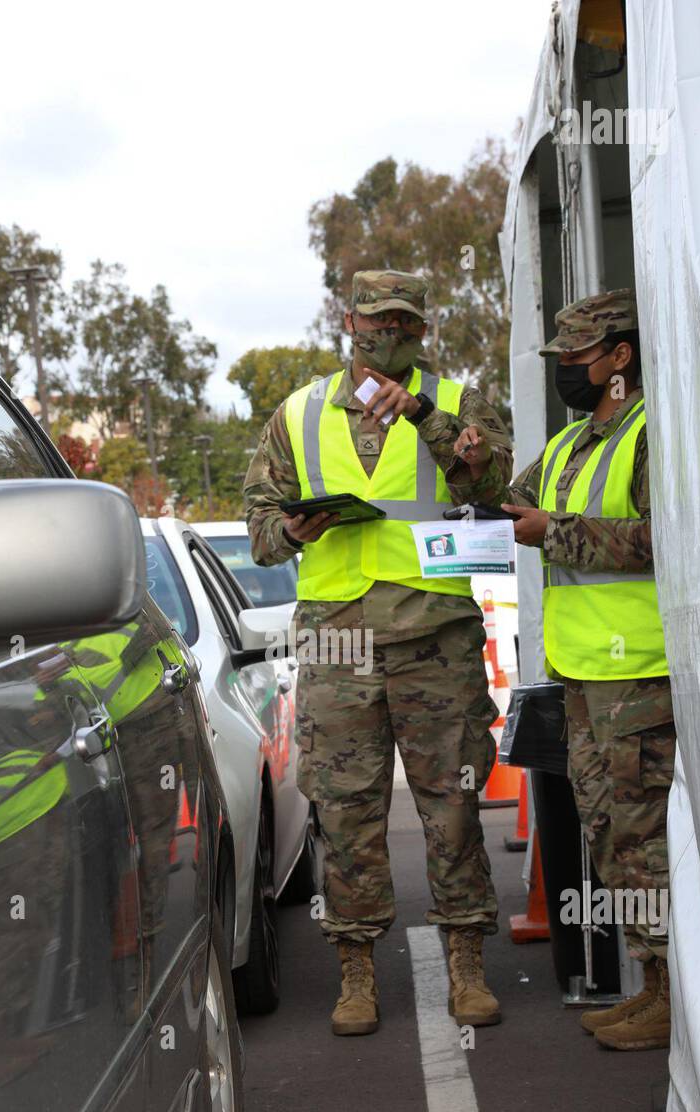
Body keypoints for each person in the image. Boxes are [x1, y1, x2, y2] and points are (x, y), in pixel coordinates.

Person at [244, 269, 513, 1036]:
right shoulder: (297, 413)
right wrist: (293, 529)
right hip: (337, 638)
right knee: (344, 809)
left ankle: (465, 962)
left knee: (452, 804)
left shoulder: (456, 402)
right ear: (348, 321)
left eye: (403, 323)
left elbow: (491, 478)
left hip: (434, 635)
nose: (386, 334)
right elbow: (260, 524)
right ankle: (355, 969)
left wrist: (424, 414)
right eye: (374, 320)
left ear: (421, 331)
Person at [454, 288, 674, 1051]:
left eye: (576, 358)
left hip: (638, 677)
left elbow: (665, 540)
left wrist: (557, 533)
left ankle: (677, 998)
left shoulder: (653, 431)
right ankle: (654, 987)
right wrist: (477, 479)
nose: (566, 372)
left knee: (644, 842)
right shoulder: (576, 440)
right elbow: (511, 504)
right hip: (581, 675)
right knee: (611, 839)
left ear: (618, 357)